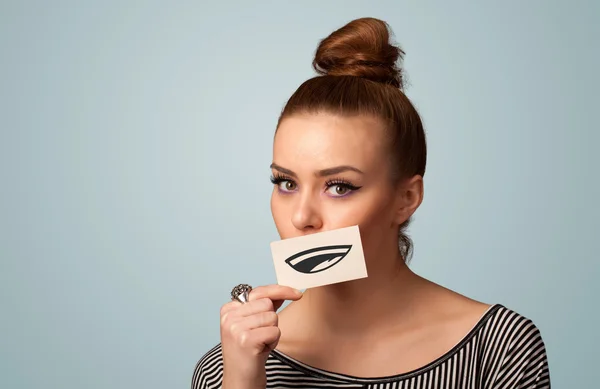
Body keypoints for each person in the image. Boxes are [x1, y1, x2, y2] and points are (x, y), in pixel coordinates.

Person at [191, 17, 551, 389]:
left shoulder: (499, 350)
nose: (302, 217)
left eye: (340, 187)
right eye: (286, 183)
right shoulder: (230, 366)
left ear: (406, 199)